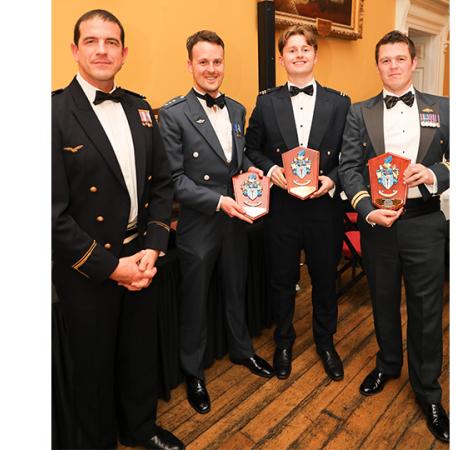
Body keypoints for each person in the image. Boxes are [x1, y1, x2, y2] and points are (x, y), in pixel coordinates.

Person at [52, 9, 184, 450]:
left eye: (111, 42)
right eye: (92, 41)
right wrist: (112, 268)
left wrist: (153, 246)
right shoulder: (51, 113)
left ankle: (140, 429)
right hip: (88, 266)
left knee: (138, 355)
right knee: (92, 367)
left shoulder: (141, 107)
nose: (102, 50)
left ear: (124, 53)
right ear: (75, 50)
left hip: (141, 257)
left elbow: (162, 184)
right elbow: (49, 214)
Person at [338, 30, 450, 443]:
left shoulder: (444, 108)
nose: (393, 66)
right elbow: (349, 167)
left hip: (424, 222)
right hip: (378, 223)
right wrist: (367, 209)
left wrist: (436, 174)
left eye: (400, 59)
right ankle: (388, 364)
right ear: (378, 65)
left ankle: (429, 392)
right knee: (382, 298)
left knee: (425, 310)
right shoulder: (358, 112)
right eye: (385, 60)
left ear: (413, 61)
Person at [159, 30, 274, 415]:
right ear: (190, 65)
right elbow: (175, 181)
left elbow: (238, 165)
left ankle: (242, 350)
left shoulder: (238, 110)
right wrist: (221, 201)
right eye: (203, 62)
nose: (211, 69)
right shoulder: (173, 114)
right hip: (200, 223)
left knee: (235, 288)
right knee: (194, 301)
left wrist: (261, 173)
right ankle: (193, 371)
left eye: (217, 61)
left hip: (237, 220)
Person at [245, 25, 350, 382]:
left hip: (324, 208)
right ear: (282, 57)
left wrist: (332, 178)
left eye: (306, 49)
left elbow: (350, 154)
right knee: (282, 278)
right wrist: (271, 168)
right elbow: (251, 150)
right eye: (292, 50)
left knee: (324, 277)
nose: (300, 54)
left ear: (316, 55)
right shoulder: (266, 101)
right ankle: (284, 342)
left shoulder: (340, 102)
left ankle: (326, 342)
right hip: (284, 209)